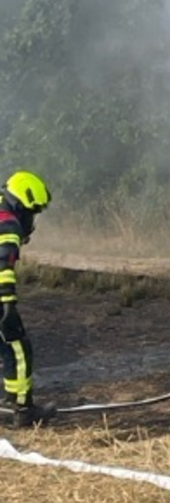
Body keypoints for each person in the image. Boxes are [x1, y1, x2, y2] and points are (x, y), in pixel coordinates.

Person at [0, 170, 55, 427]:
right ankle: (23, 409)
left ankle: (7, 403)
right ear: (21, 206)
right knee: (19, 348)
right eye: (31, 213)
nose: (31, 221)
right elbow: (2, 266)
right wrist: (7, 305)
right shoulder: (7, 224)